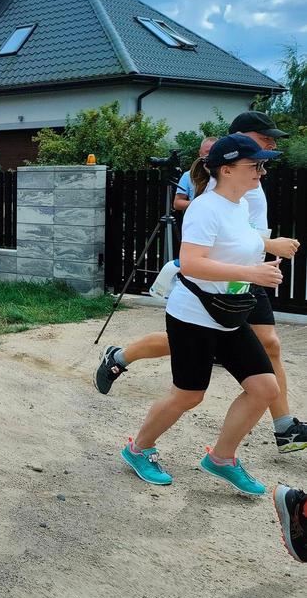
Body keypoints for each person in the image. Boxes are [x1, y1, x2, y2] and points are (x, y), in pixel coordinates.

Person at [96, 111, 307, 452]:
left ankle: (271, 433)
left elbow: (240, 234)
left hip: (235, 286)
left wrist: (263, 250)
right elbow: (198, 258)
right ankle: (126, 380)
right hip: (221, 288)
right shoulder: (216, 198)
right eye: (263, 139)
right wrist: (256, 264)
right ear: (236, 146)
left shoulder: (242, 191)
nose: (270, 146)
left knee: (263, 356)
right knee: (192, 384)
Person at [119, 134, 287, 494]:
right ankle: (138, 449)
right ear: (226, 170)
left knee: (264, 387)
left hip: (227, 314)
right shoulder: (204, 208)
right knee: (188, 394)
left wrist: (267, 251)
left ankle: (221, 459)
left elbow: (241, 242)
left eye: (262, 164)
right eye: (254, 165)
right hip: (193, 316)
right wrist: (251, 274)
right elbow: (192, 264)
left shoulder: (239, 205)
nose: (262, 171)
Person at [173, 136, 218, 212]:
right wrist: (199, 204)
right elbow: (177, 203)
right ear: (200, 153)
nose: (210, 155)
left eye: (214, 152)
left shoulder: (227, 174)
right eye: (207, 152)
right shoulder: (188, 175)